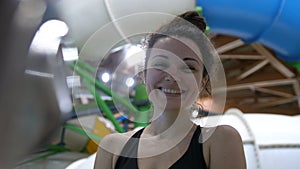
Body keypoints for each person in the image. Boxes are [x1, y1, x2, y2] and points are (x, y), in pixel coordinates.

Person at [94, 11, 246, 169]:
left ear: (202, 82)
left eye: (188, 67)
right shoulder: (112, 148)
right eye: (160, 64)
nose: (172, 76)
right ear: (144, 75)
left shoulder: (220, 141)